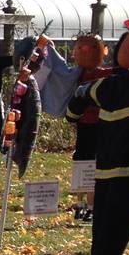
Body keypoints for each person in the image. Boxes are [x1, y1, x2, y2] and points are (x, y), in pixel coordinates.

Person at [70, 19, 129, 255]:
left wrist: (74, 112)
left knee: (105, 222)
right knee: (120, 220)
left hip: (107, 167)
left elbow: (77, 100)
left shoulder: (108, 85)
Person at [33, 33, 113, 221]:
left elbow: (59, 69)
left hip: (88, 125)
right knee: (91, 165)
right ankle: (88, 206)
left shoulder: (78, 74)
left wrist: (48, 48)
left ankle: (82, 205)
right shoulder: (102, 75)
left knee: (83, 163)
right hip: (96, 126)